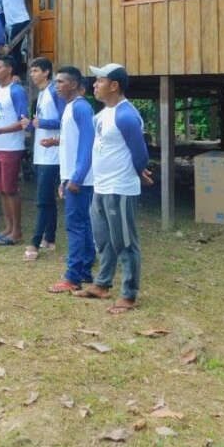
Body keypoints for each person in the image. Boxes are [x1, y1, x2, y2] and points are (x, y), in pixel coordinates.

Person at [76, 64, 153, 315]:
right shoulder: (103, 114)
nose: (94, 85)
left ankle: (129, 294)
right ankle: (102, 284)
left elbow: (140, 153)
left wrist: (138, 172)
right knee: (104, 239)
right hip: (101, 185)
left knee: (125, 242)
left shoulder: (126, 115)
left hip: (119, 188)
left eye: (99, 81)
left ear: (114, 85)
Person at [47, 67, 96, 295]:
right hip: (72, 176)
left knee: (75, 226)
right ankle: (85, 269)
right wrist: (64, 178)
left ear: (74, 85)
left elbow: (88, 144)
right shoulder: (69, 108)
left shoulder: (81, 108)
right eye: (56, 81)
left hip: (80, 179)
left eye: (60, 82)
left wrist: (76, 177)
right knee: (82, 224)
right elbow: (71, 145)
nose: (57, 85)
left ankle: (73, 276)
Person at [0, 56, 29, 246]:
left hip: (10, 146)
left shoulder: (16, 91)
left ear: (9, 70)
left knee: (11, 189)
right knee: (1, 189)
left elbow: (22, 121)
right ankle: (8, 227)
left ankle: (16, 231)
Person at [24, 57, 63, 261]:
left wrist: (43, 122)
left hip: (52, 154)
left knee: (42, 200)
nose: (32, 74)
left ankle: (35, 242)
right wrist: (30, 124)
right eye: (31, 70)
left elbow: (64, 119)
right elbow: (41, 122)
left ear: (47, 72)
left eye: (36, 70)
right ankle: (49, 238)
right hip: (41, 153)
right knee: (47, 198)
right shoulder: (41, 94)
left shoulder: (54, 92)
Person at [0, 0, 32, 78]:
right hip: (12, 23)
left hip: (20, 21)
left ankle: (16, 74)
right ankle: (16, 72)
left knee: (13, 49)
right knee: (14, 49)